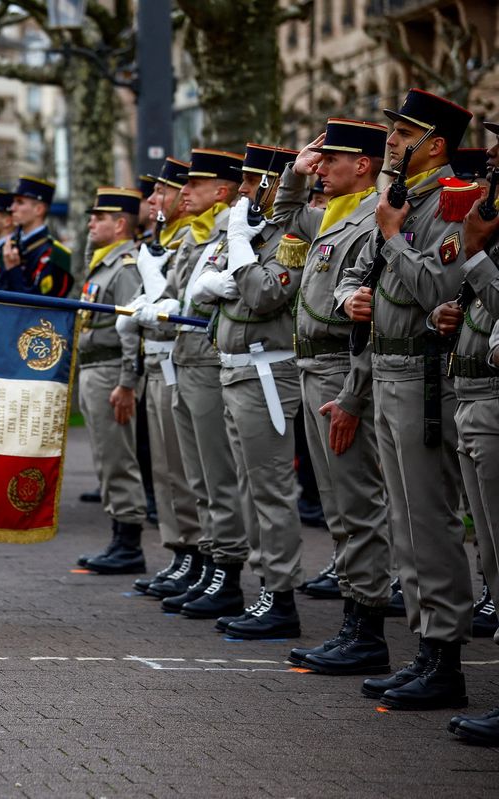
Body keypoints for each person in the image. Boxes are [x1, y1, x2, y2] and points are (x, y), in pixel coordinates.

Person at [335, 88, 474, 711]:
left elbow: (440, 286)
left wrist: (392, 239)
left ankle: (445, 657)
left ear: (435, 145)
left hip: (422, 377)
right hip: (387, 369)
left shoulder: (451, 202)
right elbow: (366, 279)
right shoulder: (401, 199)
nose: (391, 139)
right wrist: (354, 298)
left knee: (429, 522)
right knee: (403, 520)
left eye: (404, 131)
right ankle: (423, 648)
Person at [272, 118, 395, 674]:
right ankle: (355, 621)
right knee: (337, 504)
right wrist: (293, 177)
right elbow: (282, 220)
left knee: (357, 503)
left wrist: (351, 394)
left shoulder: (374, 219)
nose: (320, 168)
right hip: (314, 366)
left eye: (329, 160)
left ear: (362, 165)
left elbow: (375, 324)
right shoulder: (335, 215)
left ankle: (367, 627)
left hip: (342, 371)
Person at [193, 143, 304, 639]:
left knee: (271, 491)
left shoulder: (292, 231)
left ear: (275, 185)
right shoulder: (256, 231)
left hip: (266, 372)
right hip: (235, 368)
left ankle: (280, 597)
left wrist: (240, 248)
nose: (242, 190)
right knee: (249, 488)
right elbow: (201, 292)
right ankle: (266, 589)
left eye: (253, 181)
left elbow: (262, 293)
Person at [143, 149, 252, 621]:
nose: (184, 191)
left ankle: (225, 570)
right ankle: (209, 562)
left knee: (216, 476)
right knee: (197, 476)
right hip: (186, 360)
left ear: (221, 192)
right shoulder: (202, 238)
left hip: (207, 363)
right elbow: (179, 298)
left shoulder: (229, 233)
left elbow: (216, 297)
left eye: (196, 184)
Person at [433, 119, 499, 744]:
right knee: (492, 556)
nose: (491, 160)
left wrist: (475, 254)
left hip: (492, 399)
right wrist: (453, 314)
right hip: (473, 392)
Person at [118, 157, 205, 598]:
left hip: (179, 357)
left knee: (184, 469)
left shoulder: (191, 237)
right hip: (156, 359)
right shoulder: (165, 238)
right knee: (165, 469)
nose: (155, 200)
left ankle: (198, 551)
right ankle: (179, 549)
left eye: (163, 192)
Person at [73, 188, 148, 574]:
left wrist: (126, 382)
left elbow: (131, 328)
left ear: (120, 224)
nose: (91, 223)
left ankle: (129, 543)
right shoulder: (104, 263)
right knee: (105, 458)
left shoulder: (126, 266)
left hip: (110, 372)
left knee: (118, 457)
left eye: (99, 218)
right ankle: (118, 535)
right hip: (93, 368)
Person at [0, 176, 74, 297]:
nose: (12, 208)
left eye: (20, 202)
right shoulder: (12, 245)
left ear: (38, 209)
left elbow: (40, 304)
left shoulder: (55, 254)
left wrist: (13, 270)